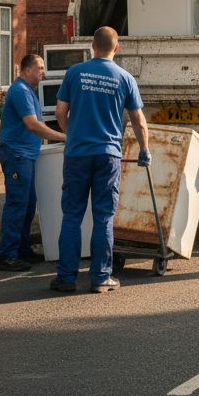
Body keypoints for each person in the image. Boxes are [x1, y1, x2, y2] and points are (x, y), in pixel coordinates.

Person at [51, 27, 150, 293]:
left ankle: (66, 278)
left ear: (92, 46)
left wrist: (71, 133)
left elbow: (61, 112)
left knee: (72, 215)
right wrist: (144, 149)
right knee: (104, 217)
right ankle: (100, 278)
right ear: (116, 49)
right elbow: (138, 120)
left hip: (76, 155)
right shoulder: (125, 78)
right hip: (108, 156)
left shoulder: (74, 72)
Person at [0, 53, 66, 272]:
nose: (43, 72)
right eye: (40, 68)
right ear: (27, 70)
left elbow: (37, 125)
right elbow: (34, 126)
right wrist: (66, 137)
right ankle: (7, 256)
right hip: (17, 155)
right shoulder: (20, 91)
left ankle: (22, 249)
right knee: (17, 204)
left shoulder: (28, 91)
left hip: (26, 155)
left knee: (28, 205)